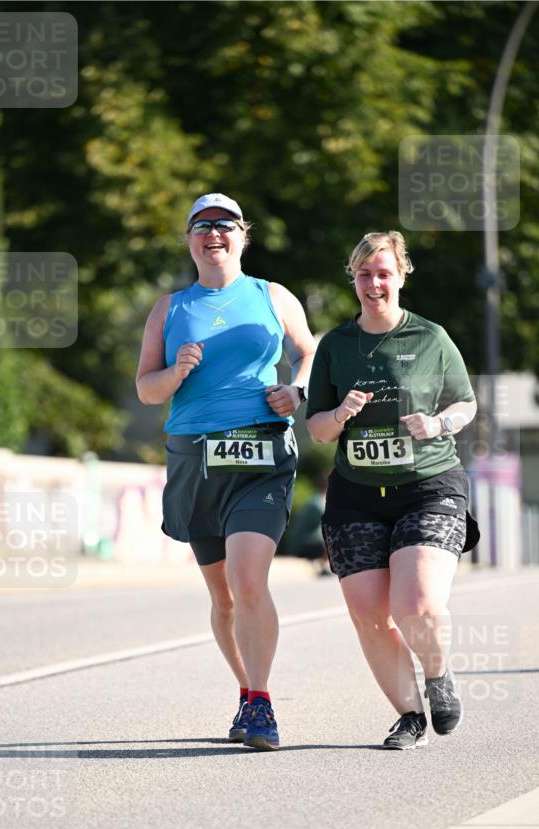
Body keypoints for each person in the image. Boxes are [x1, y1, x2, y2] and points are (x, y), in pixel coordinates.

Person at [136, 193, 315, 750]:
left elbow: (309, 350)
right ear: (190, 239)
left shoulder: (271, 295)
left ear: (243, 236)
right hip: (195, 457)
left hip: (262, 454)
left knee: (247, 578)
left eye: (226, 226)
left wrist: (297, 390)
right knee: (224, 598)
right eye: (202, 227)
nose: (214, 234)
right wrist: (176, 371)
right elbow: (146, 389)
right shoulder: (169, 309)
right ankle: (245, 691)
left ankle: (261, 705)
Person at [306, 231, 478, 750]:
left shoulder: (430, 338)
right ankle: (409, 717)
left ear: (401, 275)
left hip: (429, 486)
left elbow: (465, 403)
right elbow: (317, 428)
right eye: (364, 274)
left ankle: (438, 672)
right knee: (369, 614)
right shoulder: (336, 346)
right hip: (356, 494)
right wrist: (340, 414)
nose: (373, 283)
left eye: (383, 273)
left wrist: (439, 424)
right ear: (352, 278)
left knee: (418, 603)